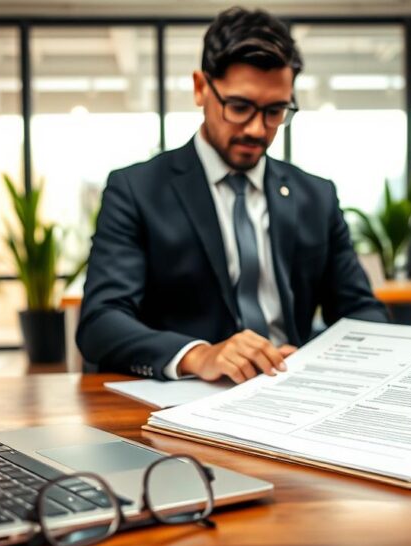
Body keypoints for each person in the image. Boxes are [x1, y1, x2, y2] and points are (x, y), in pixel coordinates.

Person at [78, 6, 387, 384]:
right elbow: (101, 322)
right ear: (200, 88)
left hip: (294, 395)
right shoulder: (137, 190)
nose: (257, 130)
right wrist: (199, 354)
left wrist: (319, 357)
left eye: (275, 111)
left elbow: (364, 312)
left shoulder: (316, 196)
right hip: (188, 399)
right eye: (239, 107)